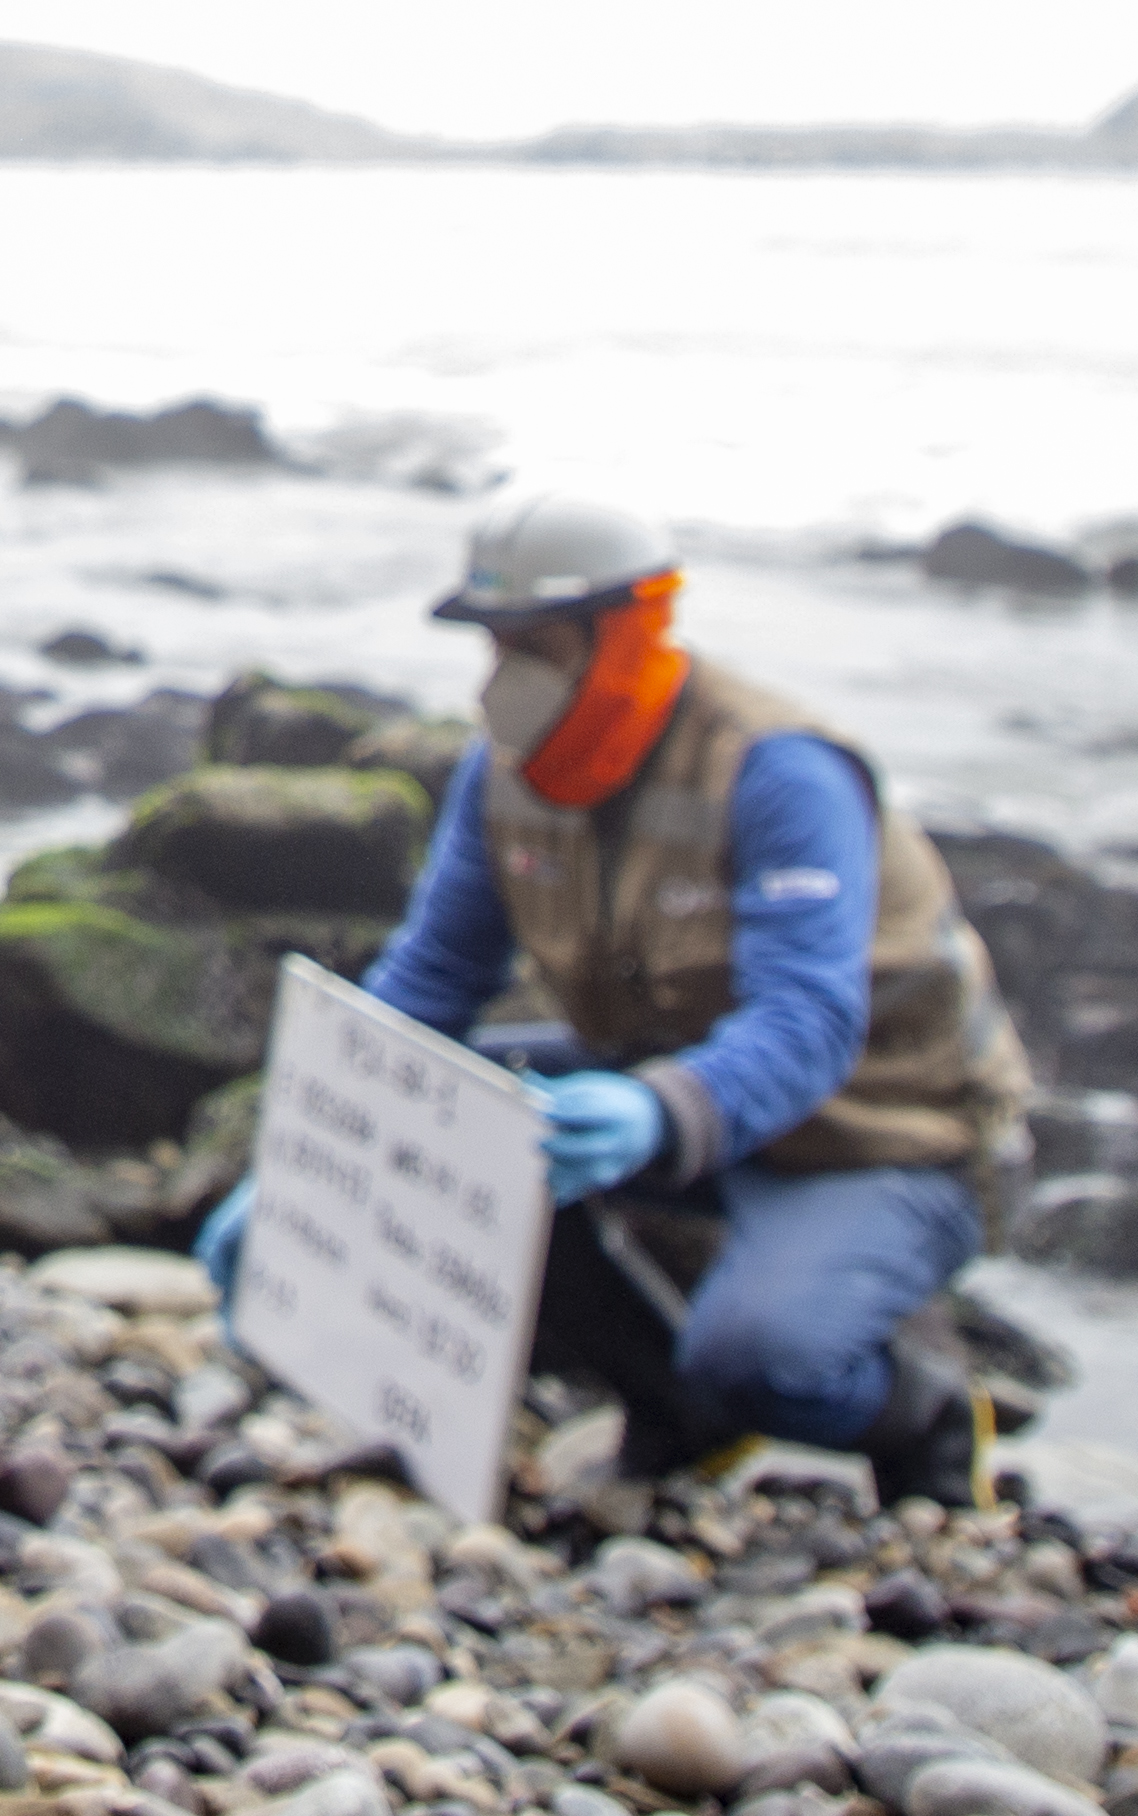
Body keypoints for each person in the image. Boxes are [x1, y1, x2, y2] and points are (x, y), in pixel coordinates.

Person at [207, 492, 1031, 1502]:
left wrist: (655, 1110)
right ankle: (672, 1407)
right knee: (468, 1103)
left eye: (538, 647)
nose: (507, 682)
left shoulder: (778, 770)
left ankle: (929, 1412)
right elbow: (432, 981)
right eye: (497, 648)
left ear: (631, 629)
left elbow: (809, 1021)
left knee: (765, 1356)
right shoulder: (503, 773)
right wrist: (311, 1168)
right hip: (669, 1089)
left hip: (881, 1132)